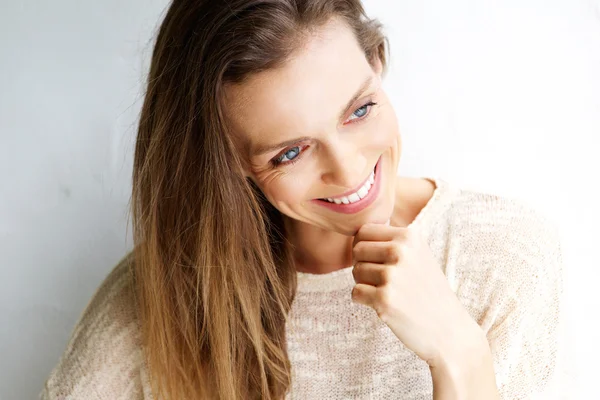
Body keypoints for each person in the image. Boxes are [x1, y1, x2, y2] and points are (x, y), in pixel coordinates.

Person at [40, 0, 569, 399]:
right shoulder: (174, 285)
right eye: (290, 152)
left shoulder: (504, 255)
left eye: (359, 110)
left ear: (377, 63)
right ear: (224, 167)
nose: (348, 168)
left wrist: (460, 354)